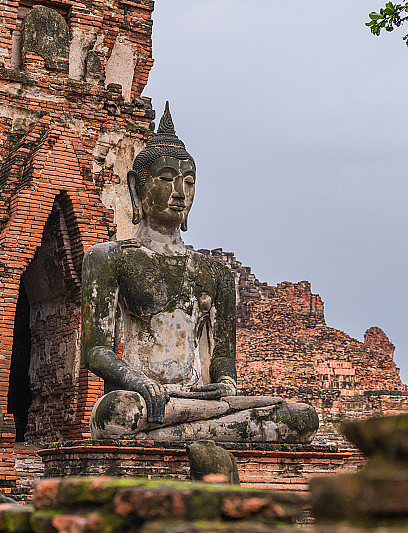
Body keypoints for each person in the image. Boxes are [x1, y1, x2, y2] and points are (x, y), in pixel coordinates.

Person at [81, 103, 318, 442]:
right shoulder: (109, 258)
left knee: (301, 418)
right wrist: (140, 383)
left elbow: (222, 357)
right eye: (166, 179)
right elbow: (96, 351)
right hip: (142, 400)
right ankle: (198, 433)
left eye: (188, 182)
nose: (180, 193)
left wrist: (225, 384)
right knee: (116, 414)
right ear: (137, 188)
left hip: (200, 399)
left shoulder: (215, 273)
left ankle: (178, 434)